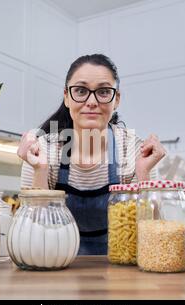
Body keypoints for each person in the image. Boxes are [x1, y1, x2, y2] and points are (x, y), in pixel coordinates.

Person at [18, 54, 166, 255]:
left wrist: (144, 176)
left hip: (121, 272)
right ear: (67, 97)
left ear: (117, 99)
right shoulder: (43, 151)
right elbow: (32, 236)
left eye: (104, 92)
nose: (91, 101)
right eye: (80, 91)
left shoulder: (135, 152)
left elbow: (155, 238)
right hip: (58, 269)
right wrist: (40, 170)